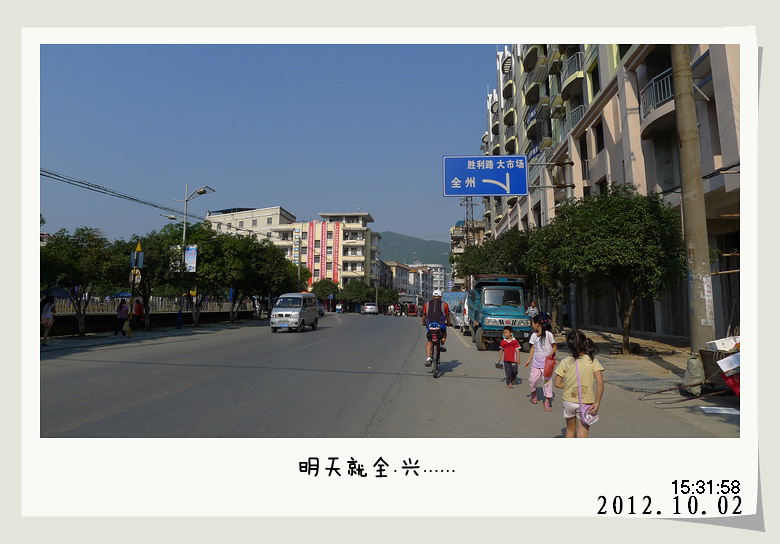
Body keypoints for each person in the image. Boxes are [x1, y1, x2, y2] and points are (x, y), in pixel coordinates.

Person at [554, 329, 604, 438]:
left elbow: (557, 383)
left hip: (568, 401)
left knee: (570, 430)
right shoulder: (592, 361)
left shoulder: (565, 362)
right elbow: (600, 382)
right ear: (585, 343)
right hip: (586, 402)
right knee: (582, 435)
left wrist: (570, 387)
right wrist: (597, 402)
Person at [525, 314, 557, 411]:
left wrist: (550, 354)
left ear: (537, 324)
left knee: (547, 383)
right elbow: (532, 348)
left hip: (546, 365)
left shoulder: (548, 334)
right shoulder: (534, 335)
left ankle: (547, 401)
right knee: (532, 381)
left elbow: (554, 346)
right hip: (536, 364)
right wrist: (529, 360)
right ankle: (534, 393)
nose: (532, 325)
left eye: (532, 323)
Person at [421, 290, 450, 366]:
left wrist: (423, 322)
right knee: (444, 332)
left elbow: (424, 315)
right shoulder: (444, 304)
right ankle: (442, 345)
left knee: (429, 340)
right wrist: (448, 323)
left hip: (430, 325)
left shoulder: (427, 304)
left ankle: (428, 358)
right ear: (440, 297)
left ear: (432, 296)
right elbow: (447, 315)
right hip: (441, 325)